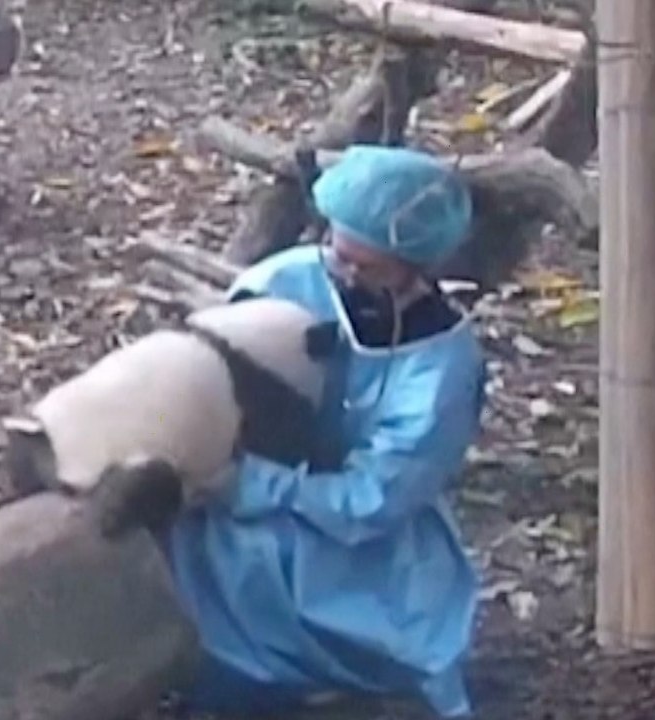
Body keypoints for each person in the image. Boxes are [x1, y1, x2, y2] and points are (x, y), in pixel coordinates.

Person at [163, 143, 490, 718]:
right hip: (235, 486)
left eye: (368, 267)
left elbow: (373, 500)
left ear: (415, 266)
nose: (344, 273)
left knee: (279, 569)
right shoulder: (287, 278)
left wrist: (253, 486)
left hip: (358, 539)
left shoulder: (441, 366)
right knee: (192, 549)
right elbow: (207, 370)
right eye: (338, 253)